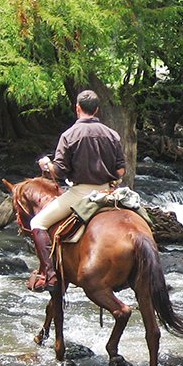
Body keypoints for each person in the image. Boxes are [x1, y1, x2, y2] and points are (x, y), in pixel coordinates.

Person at [27, 89, 126, 293]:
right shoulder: (112, 134)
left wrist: (47, 165)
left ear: (77, 108)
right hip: (108, 193)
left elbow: (60, 171)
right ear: (97, 109)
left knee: (37, 223)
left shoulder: (69, 135)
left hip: (81, 193)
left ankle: (50, 275)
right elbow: (120, 170)